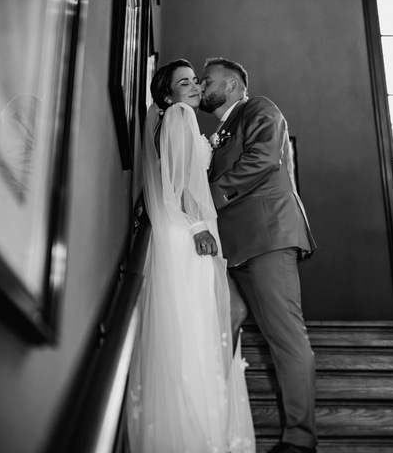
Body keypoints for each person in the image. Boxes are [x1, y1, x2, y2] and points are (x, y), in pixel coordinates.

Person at [126, 59, 256, 453]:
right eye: (185, 83)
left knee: (191, 326)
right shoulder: (181, 115)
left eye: (196, 80)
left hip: (175, 231)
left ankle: (187, 430)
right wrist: (199, 226)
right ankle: (202, 432)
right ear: (169, 95)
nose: (195, 86)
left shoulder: (169, 118)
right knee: (202, 323)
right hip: (188, 231)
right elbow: (182, 178)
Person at [200, 57, 318, 453]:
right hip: (233, 251)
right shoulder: (219, 131)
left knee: (285, 336)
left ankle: (300, 441)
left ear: (232, 85)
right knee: (227, 320)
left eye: (207, 79)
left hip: (267, 236)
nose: (201, 85)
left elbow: (263, 159)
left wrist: (207, 198)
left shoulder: (260, 108)